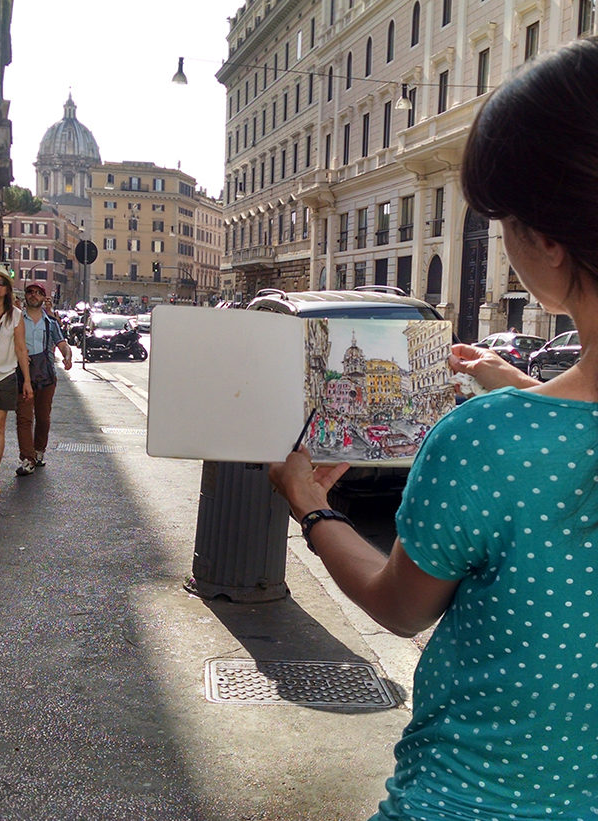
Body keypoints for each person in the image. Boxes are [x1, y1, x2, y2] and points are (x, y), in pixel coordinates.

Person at [270, 37, 598, 820]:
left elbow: (400, 607)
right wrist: (523, 383)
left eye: (504, 219)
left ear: (547, 241)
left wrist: (311, 507)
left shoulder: (487, 439)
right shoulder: (519, 422)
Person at [15, 281, 72, 476]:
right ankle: (27, 459)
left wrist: (67, 355)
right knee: (23, 418)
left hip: (46, 375)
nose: (33, 295)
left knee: (43, 418)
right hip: (21, 375)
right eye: (30, 292)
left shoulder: (51, 323)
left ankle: (39, 451)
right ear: (25, 296)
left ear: (43, 297)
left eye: (38, 293)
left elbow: (62, 343)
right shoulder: (17, 320)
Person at [0, 267, 33, 495]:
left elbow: (20, 348)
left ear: (7, 289)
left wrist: (26, 380)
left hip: (4, 375)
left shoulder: (15, 315)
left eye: (1, 282)